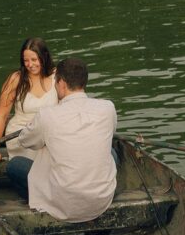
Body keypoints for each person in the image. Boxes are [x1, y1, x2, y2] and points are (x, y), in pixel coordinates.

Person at [8, 57, 117, 222]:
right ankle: (95, 231)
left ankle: (47, 223)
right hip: (101, 200)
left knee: (14, 165)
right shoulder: (108, 108)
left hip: (64, 204)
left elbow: (25, 140)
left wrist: (44, 137)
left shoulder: (47, 115)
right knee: (112, 151)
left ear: (62, 83)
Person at [0, 37, 57, 169]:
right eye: (26, 61)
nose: (30, 64)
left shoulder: (57, 76)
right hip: (22, 134)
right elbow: (1, 116)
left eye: (34, 60)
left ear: (44, 57)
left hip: (50, 131)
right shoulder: (15, 79)